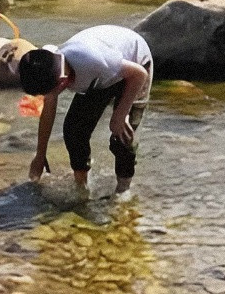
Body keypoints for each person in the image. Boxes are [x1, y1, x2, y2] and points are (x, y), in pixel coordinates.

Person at [18, 25, 153, 196]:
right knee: (74, 130)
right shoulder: (49, 65)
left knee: (123, 136)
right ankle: (81, 187)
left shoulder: (93, 61)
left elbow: (139, 74)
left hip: (136, 65)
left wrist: (121, 114)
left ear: (62, 82)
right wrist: (40, 155)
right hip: (101, 77)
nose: (47, 97)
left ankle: (123, 191)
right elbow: (48, 111)